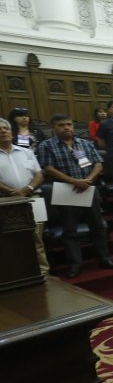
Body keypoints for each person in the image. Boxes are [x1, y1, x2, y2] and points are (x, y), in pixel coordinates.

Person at [38, 114, 113, 278]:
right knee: (70, 230)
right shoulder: (46, 145)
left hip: (88, 188)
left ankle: (105, 259)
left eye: (69, 124)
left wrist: (88, 180)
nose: (66, 127)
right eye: (61, 125)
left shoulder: (84, 143)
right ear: (54, 128)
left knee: (98, 226)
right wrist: (74, 181)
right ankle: (75, 264)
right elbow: (48, 168)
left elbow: (98, 163)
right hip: (65, 190)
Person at [0, 118, 50, 276]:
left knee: (37, 239)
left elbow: (39, 174)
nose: (2, 131)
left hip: (33, 197)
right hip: (5, 201)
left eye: (5, 128)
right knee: (10, 242)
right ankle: (20, 275)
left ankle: (44, 273)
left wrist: (27, 189)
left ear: (11, 132)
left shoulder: (26, 152)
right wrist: (10, 191)